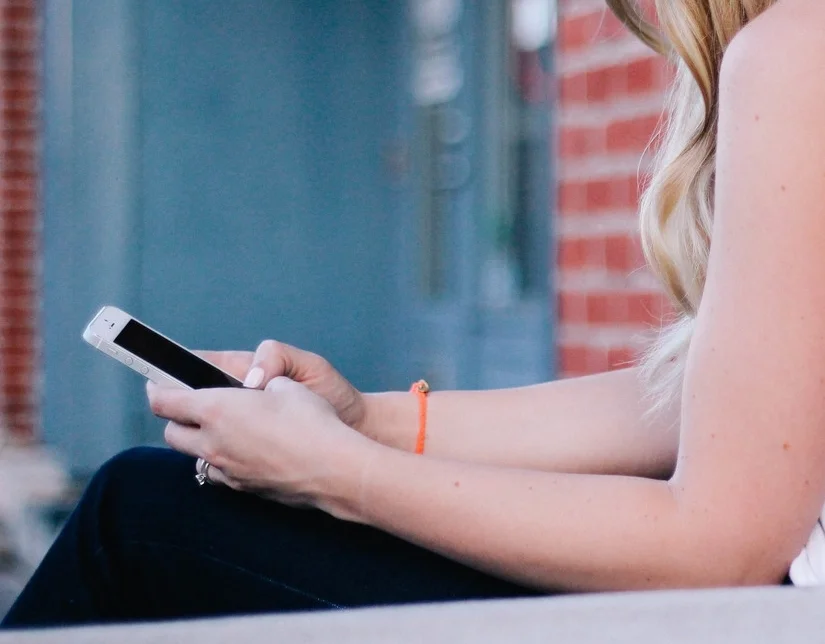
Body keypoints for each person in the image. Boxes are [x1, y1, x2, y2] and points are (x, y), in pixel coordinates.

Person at [3, 0, 825, 628]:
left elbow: (718, 544)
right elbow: (714, 410)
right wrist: (367, 421)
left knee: (138, 519)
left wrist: (337, 474)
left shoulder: (794, 49)